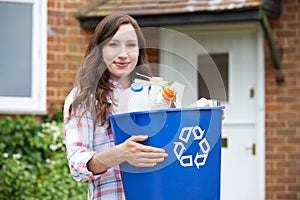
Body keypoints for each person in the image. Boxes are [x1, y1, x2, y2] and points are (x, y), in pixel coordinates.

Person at [63, 13, 168, 200]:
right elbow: (77, 164)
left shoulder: (156, 94)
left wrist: (206, 117)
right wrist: (121, 154)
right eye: (113, 44)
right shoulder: (84, 98)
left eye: (131, 45)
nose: (123, 54)